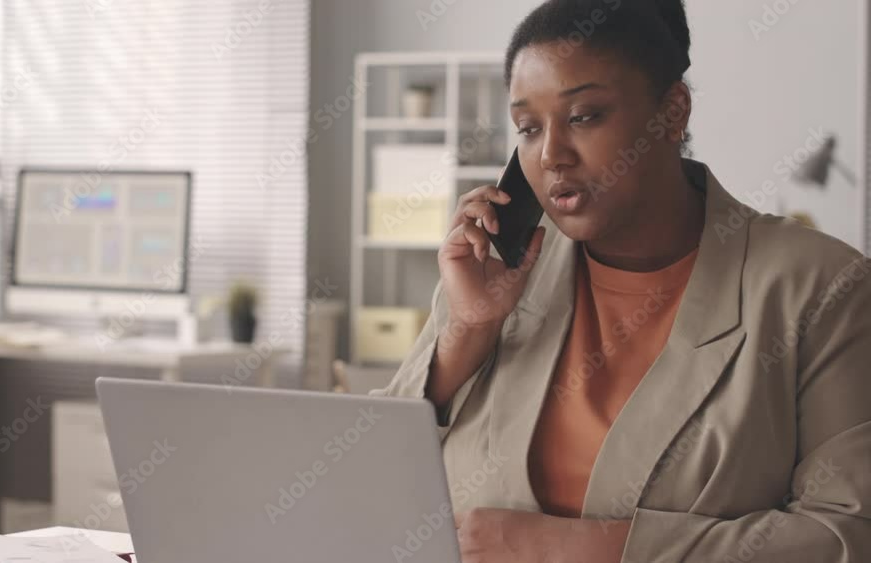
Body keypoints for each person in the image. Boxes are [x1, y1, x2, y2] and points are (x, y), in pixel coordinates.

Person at [373, 0, 871, 561]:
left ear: (673, 111)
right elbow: (375, 488)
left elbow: (847, 534)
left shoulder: (820, 285)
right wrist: (468, 328)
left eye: (584, 116)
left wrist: (582, 549)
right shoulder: (495, 271)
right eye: (529, 128)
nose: (552, 155)